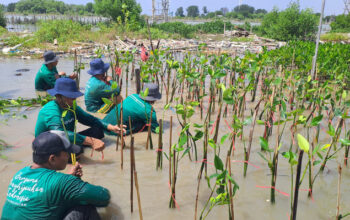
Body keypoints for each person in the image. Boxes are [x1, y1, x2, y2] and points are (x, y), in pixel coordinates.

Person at [1, 130, 110, 220]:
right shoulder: (63, 182)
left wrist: (69, 179)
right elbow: (103, 196)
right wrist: (74, 185)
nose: (68, 156)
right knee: (85, 207)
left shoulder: (20, 173)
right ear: (52, 158)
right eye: (66, 153)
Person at [35, 78, 124, 155]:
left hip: (66, 138)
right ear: (59, 96)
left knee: (98, 131)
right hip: (49, 145)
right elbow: (60, 133)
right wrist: (91, 141)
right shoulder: (51, 111)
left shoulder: (71, 105)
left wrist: (110, 127)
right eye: (71, 97)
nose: (74, 99)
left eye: (74, 97)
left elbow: (90, 119)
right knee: (77, 151)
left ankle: (80, 145)